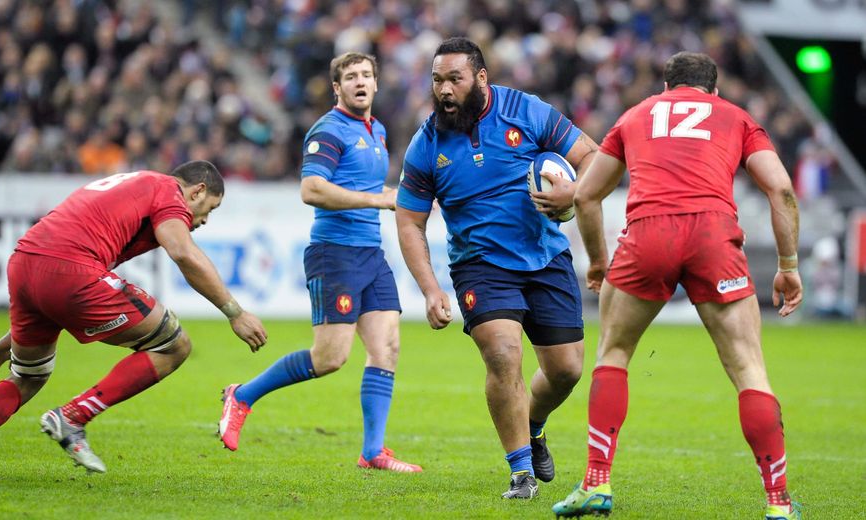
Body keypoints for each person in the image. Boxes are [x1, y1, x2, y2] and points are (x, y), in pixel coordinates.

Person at [549, 52, 803, 520]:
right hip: (713, 234)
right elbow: (782, 189)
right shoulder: (737, 116)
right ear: (715, 90)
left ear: (666, 88)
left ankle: (596, 483)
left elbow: (585, 195)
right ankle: (779, 502)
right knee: (749, 369)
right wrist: (788, 264)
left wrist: (600, 264)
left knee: (615, 353)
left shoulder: (635, 114)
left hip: (649, 232)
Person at [0, 160, 267, 483]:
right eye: (210, 208)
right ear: (197, 190)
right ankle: (72, 416)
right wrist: (235, 313)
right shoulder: (168, 191)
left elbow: (52, 270)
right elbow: (182, 252)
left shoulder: (134, 184)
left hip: (25, 264)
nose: (205, 220)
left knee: (27, 377)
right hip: (71, 268)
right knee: (174, 345)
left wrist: (14, 336)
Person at [395, 37, 600, 498]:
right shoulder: (426, 143)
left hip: (545, 255)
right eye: (436, 80)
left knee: (566, 369)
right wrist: (429, 288)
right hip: (479, 264)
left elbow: (593, 157)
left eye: (454, 79)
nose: (444, 90)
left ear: (481, 78)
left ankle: (533, 422)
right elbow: (409, 222)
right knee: (503, 353)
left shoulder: (526, 111)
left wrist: (574, 192)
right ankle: (521, 472)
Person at [217, 52, 422, 472]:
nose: (360, 82)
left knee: (387, 347)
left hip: (370, 253)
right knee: (330, 358)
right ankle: (242, 396)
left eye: (367, 75)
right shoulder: (328, 130)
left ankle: (372, 452)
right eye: (351, 77)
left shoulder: (377, 129)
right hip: (336, 253)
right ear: (337, 88)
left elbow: (364, 184)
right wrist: (378, 199)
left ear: (376, 84)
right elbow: (311, 189)